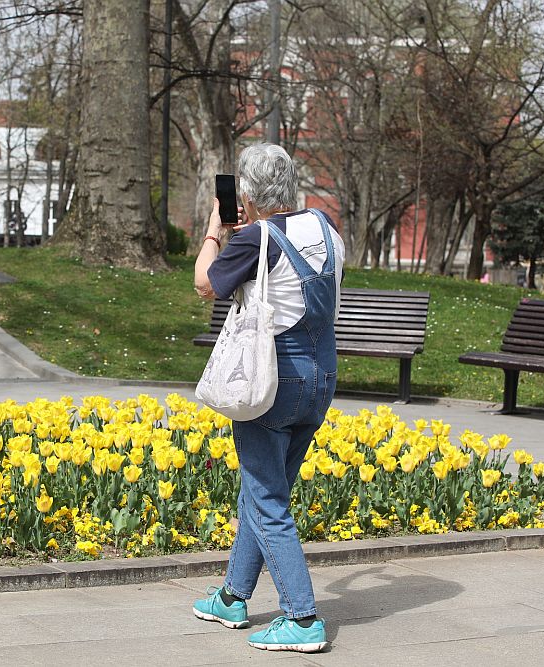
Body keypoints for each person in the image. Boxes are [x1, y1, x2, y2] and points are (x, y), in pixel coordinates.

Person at [192, 143, 345, 653]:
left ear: (250, 194)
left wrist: (216, 227)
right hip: (320, 378)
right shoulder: (324, 226)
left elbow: (205, 284)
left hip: (272, 383)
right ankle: (233, 597)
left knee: (267, 500)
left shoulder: (255, 237)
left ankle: (301, 619)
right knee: (262, 492)